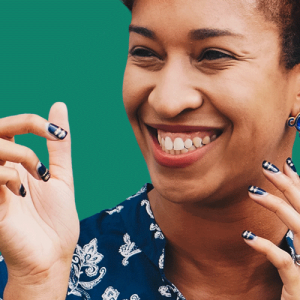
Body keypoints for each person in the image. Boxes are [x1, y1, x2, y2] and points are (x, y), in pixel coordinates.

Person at [0, 0, 300, 299]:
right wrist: (37, 286)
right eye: (145, 53)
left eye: (213, 55)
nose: (166, 101)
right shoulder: (35, 267)